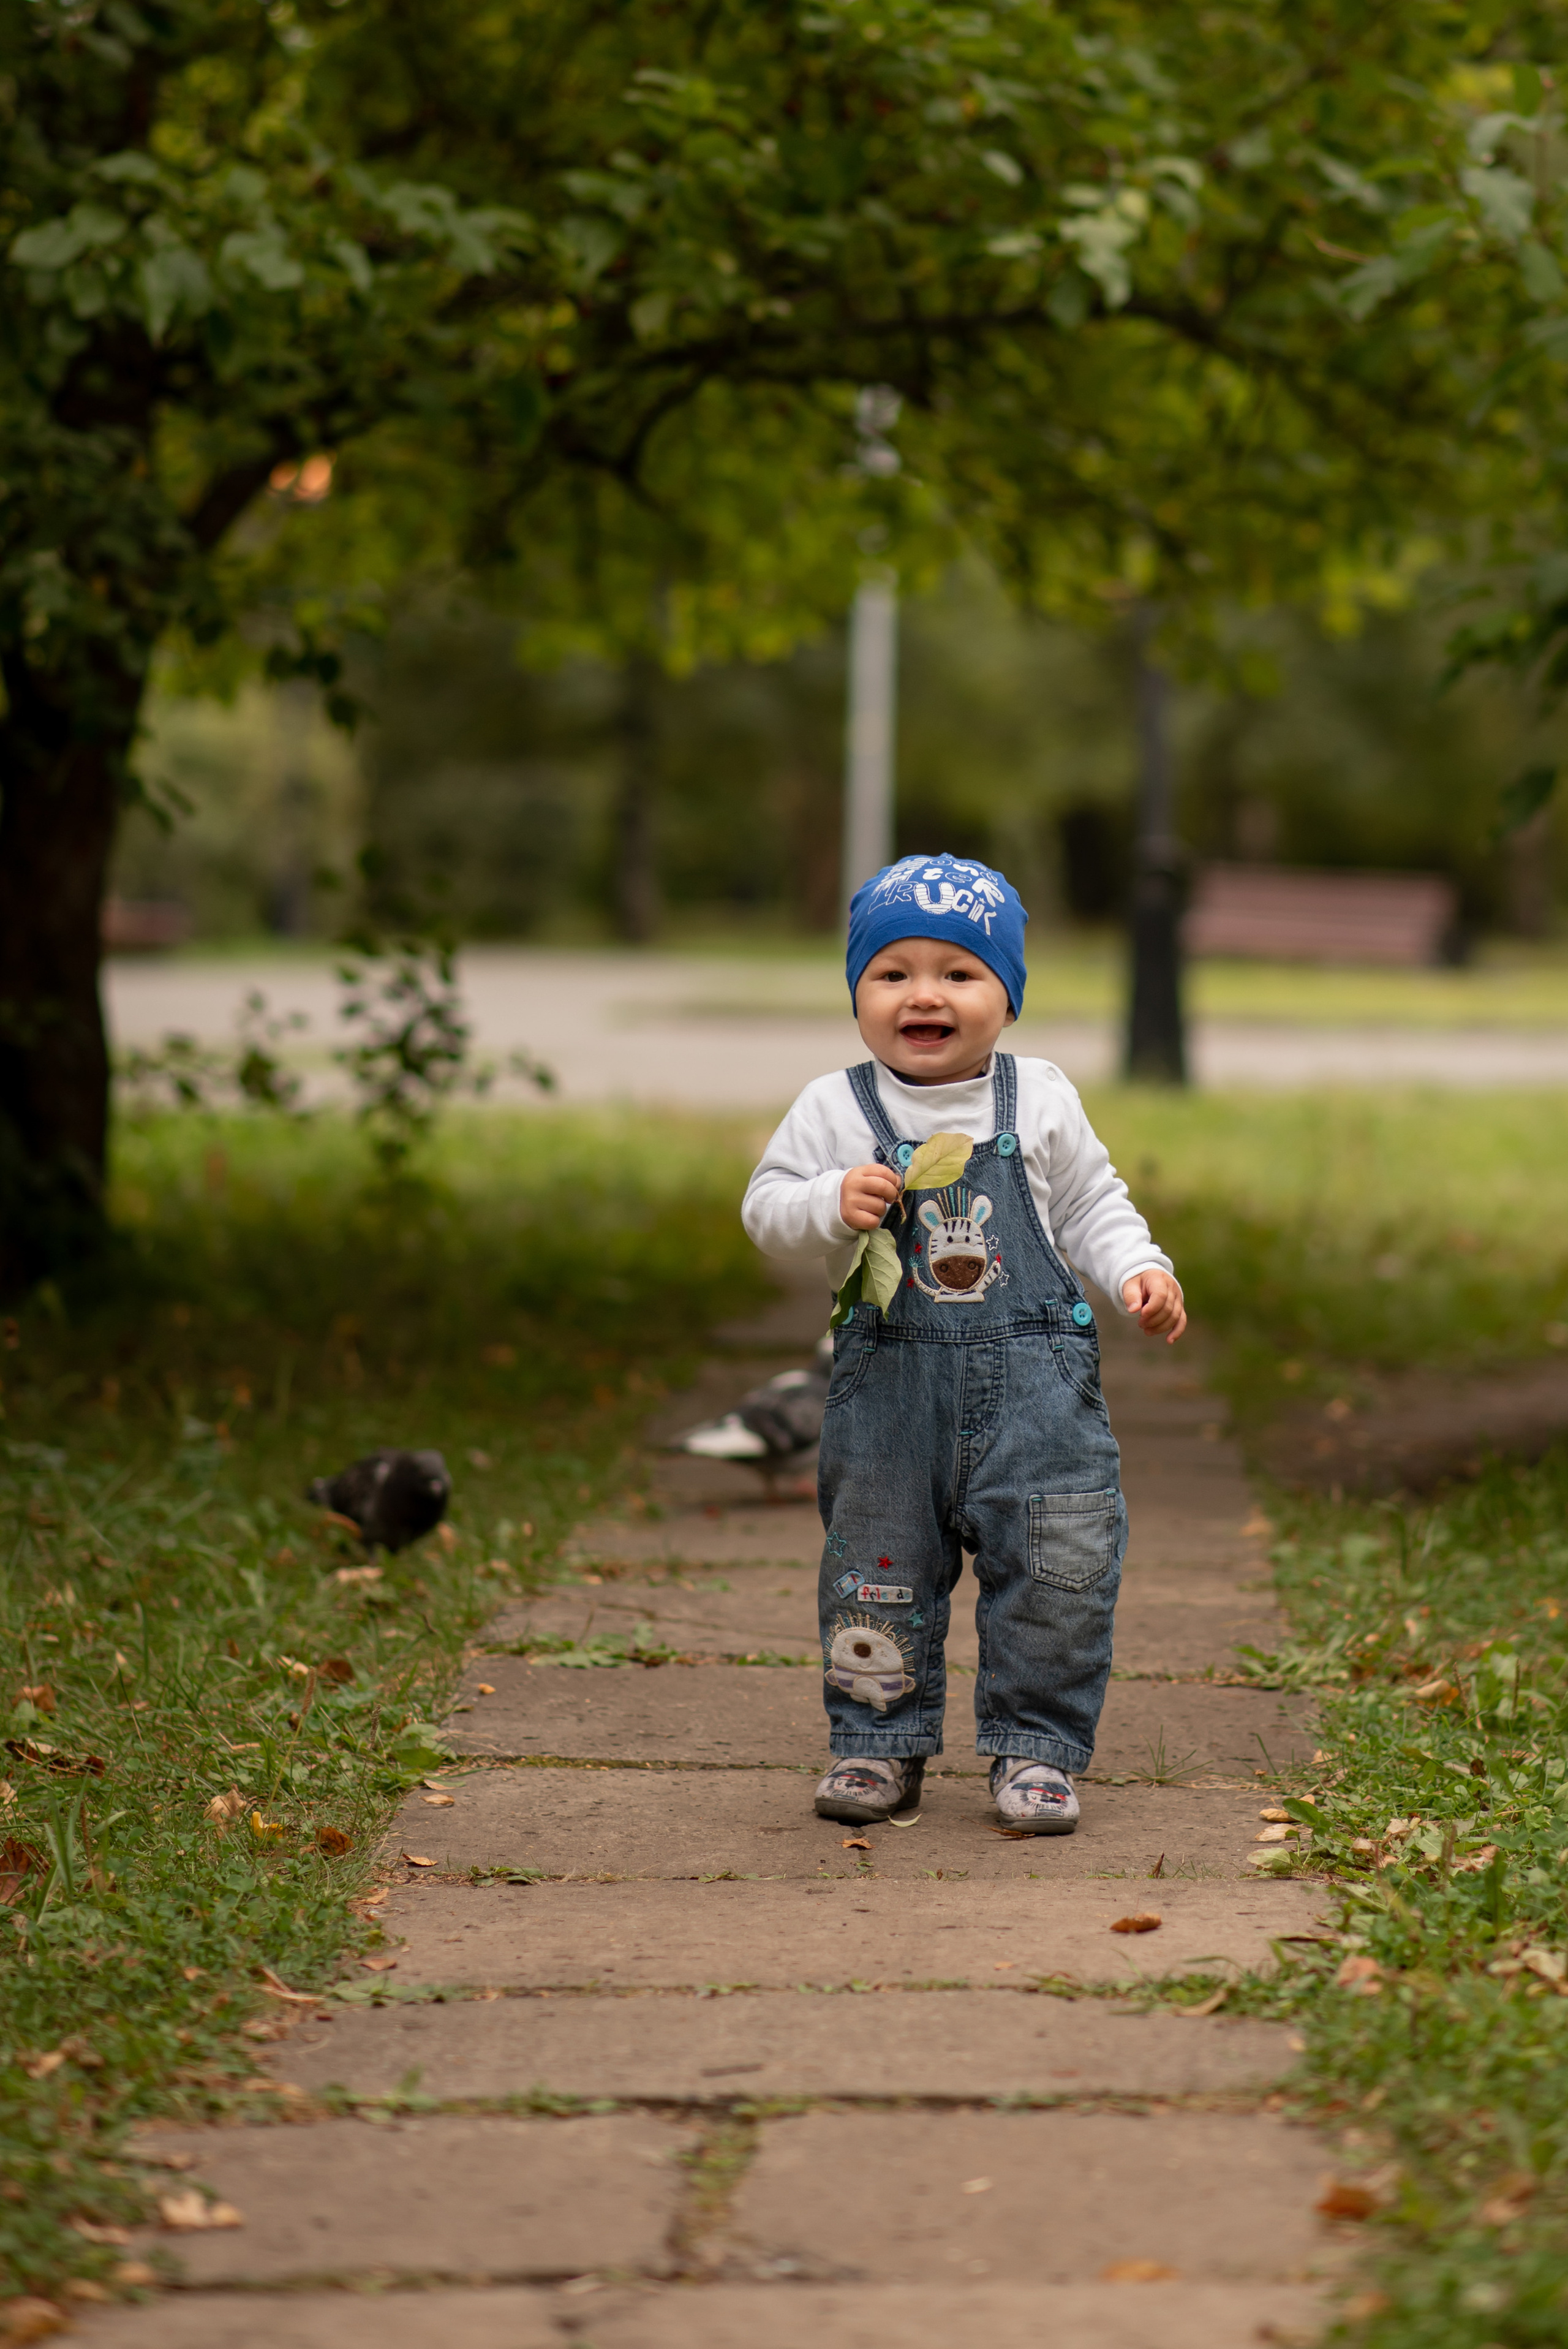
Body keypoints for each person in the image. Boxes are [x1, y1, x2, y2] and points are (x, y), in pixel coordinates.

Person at [741, 853, 1185, 1834]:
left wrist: (1138, 1271)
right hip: (889, 1402)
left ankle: (1037, 1746)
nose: (923, 994)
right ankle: (874, 1744)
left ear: (1008, 997)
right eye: (892, 973)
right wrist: (827, 1201)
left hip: (1038, 1397)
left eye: (959, 972)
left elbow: (1093, 1207)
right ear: (858, 993)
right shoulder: (833, 1107)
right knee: (876, 1573)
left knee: (1056, 1573)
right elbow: (765, 1209)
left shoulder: (1044, 1099)